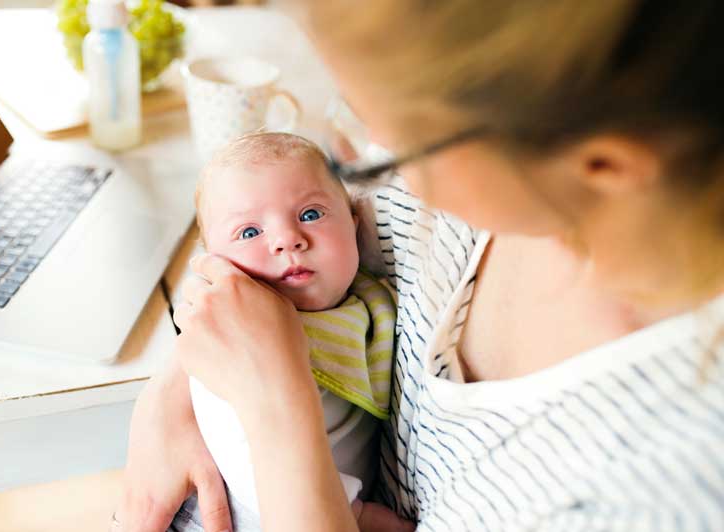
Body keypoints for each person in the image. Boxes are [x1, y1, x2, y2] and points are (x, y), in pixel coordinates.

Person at [116, 1, 724, 530]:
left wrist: (276, 401)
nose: (376, 164)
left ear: (601, 168)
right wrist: (174, 391)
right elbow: (251, 276)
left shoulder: (650, 491)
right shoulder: (461, 198)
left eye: (398, 144)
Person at [168, 132, 400, 531]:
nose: (286, 239)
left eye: (311, 214)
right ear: (214, 262)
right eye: (249, 232)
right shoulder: (232, 344)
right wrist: (354, 511)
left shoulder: (370, 301)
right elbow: (238, 454)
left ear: (355, 225)